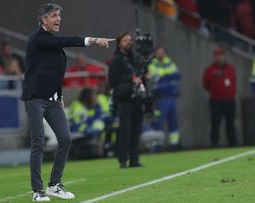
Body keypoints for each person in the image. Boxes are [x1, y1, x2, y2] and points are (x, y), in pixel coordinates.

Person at [21, 3, 114, 201]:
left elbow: (55, 72)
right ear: (44, 19)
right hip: (35, 98)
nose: (58, 19)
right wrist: (93, 40)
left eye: (59, 16)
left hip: (53, 100)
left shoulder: (51, 43)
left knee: (66, 139)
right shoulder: (38, 38)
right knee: (38, 142)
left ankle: (54, 184)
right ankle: (37, 191)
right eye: (54, 16)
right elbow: (65, 41)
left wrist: (60, 94)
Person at [108, 32, 145, 169]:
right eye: (125, 40)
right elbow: (113, 81)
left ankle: (134, 158)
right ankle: (123, 159)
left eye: (130, 40)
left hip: (136, 98)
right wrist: (130, 79)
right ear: (119, 43)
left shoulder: (132, 59)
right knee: (125, 130)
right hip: (124, 99)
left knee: (136, 130)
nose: (129, 42)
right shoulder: (117, 60)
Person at [147, 46, 181, 150]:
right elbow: (155, 78)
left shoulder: (169, 62)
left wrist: (163, 78)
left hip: (171, 97)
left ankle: (174, 145)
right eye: (159, 52)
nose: (161, 54)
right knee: (158, 121)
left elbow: (177, 75)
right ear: (155, 53)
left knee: (173, 121)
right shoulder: (152, 64)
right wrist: (167, 77)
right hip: (160, 98)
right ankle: (156, 146)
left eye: (162, 52)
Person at [203, 47, 237, 147]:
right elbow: (205, 84)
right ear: (214, 57)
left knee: (230, 123)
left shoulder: (230, 68)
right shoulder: (210, 70)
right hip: (216, 101)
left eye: (220, 55)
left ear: (224, 56)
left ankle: (233, 144)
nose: (219, 57)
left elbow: (234, 81)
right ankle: (214, 144)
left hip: (229, 100)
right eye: (216, 55)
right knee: (215, 124)